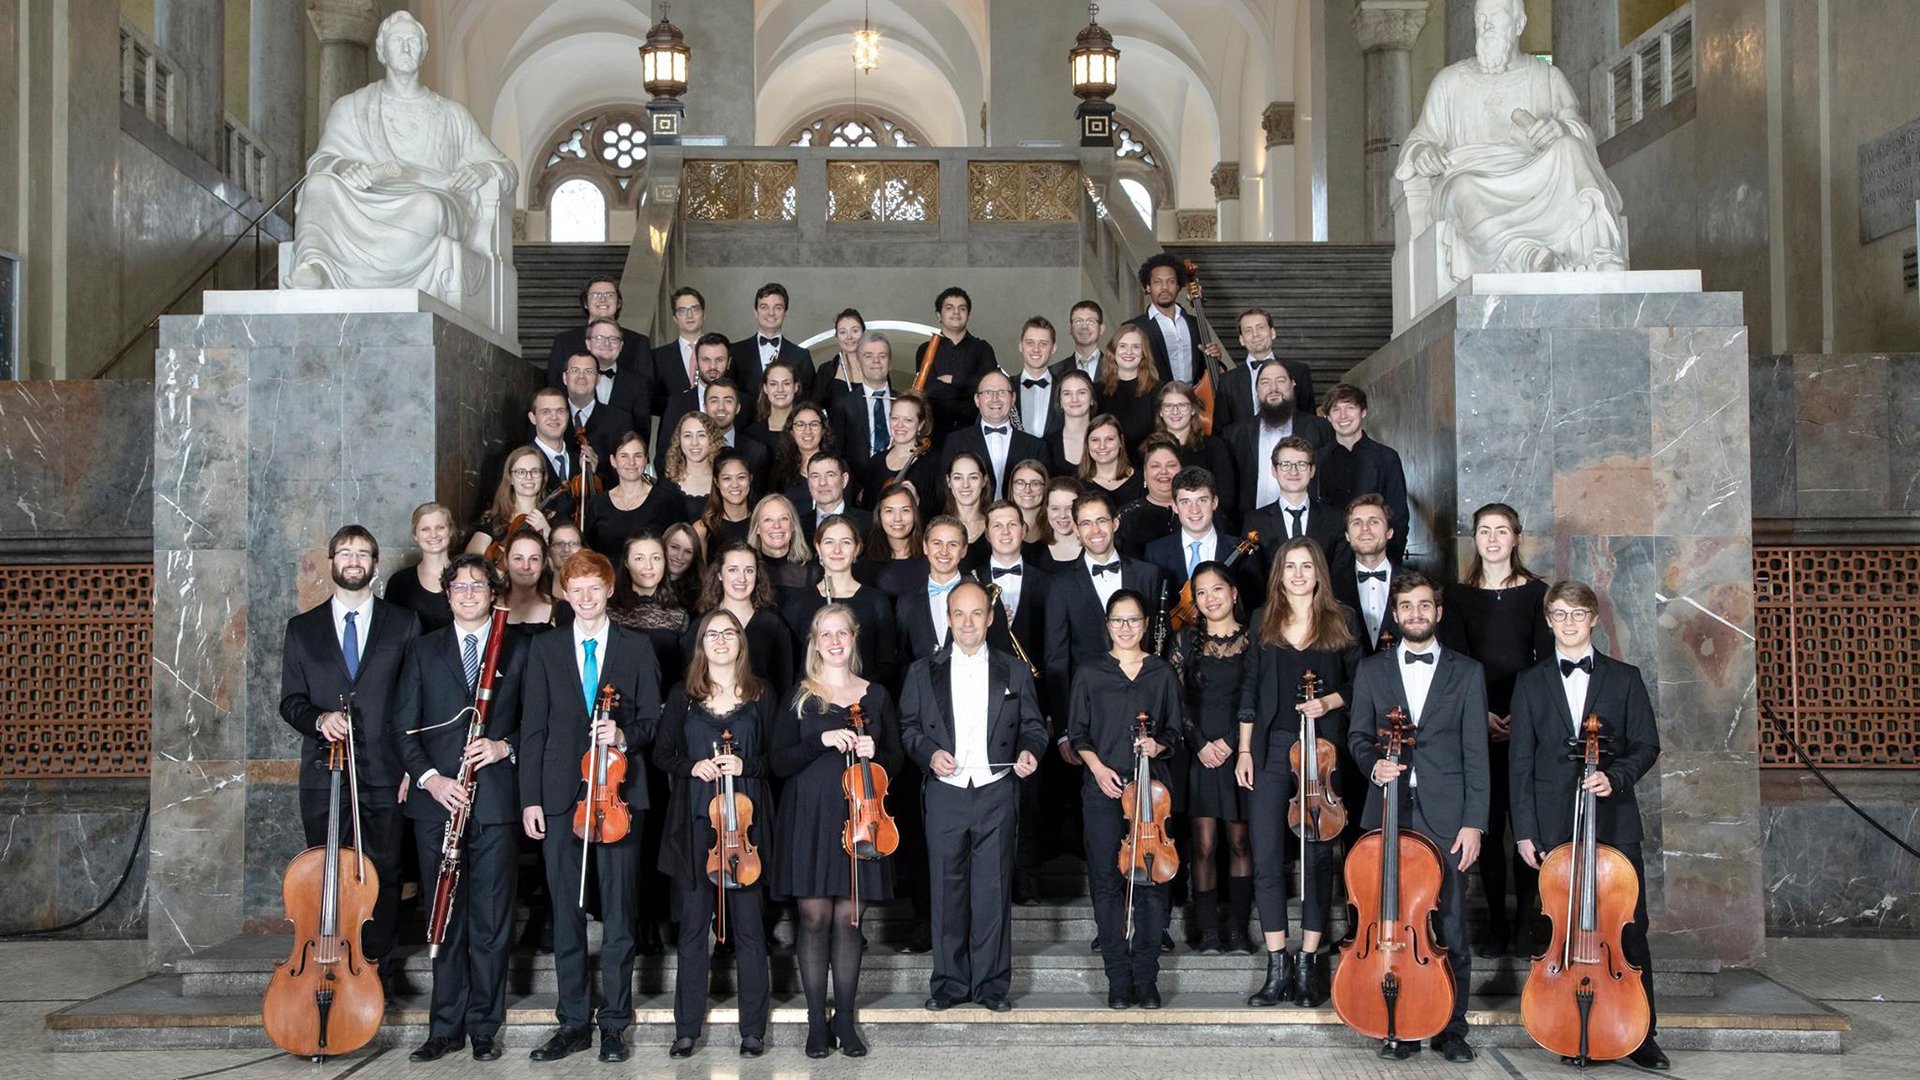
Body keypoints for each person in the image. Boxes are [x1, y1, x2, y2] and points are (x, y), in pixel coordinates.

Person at [1509, 580, 1667, 1071]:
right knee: (1565, 928)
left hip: (1614, 823)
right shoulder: (1530, 682)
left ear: (1594, 619)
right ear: (1549, 620)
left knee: (1628, 932)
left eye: (1578, 614)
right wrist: (1524, 831)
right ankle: (1570, 1026)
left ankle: (1640, 1034)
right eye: (1560, 614)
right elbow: (1520, 763)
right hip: (1554, 823)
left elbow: (1647, 745)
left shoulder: (1624, 677)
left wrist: (1614, 777)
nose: (1569, 622)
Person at [518, 551, 662, 1063]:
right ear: (564, 593)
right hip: (560, 796)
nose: (584, 596)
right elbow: (532, 726)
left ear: (608, 590)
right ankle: (573, 1021)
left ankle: (615, 1024)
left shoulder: (636, 647)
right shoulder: (546, 648)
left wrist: (623, 733)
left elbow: (653, 721)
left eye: (593, 587)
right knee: (567, 913)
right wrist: (530, 799)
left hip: (618, 795)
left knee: (620, 915)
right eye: (575, 588)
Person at [1346, 571, 1489, 1063]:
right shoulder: (1371, 670)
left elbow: (1477, 753)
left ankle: (1452, 1029)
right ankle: (1403, 1024)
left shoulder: (1467, 672)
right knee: (1393, 923)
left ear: (1438, 612)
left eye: (1424, 605)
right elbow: (1358, 737)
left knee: (1449, 926)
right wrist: (1373, 764)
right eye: (1406, 606)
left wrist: (1475, 823)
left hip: (1448, 817)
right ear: (1396, 614)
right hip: (1389, 814)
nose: (1415, 614)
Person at [277, 524, 420, 1003]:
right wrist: (319, 720)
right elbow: (290, 701)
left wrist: (409, 767)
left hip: (386, 772)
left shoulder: (403, 623)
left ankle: (377, 968)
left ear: (375, 564)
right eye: (345, 552)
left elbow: (412, 700)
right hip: (325, 776)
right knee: (329, 874)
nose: (354, 560)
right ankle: (332, 966)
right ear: (332, 562)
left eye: (363, 553)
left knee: (383, 872)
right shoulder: (302, 628)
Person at [393, 553, 525, 1062]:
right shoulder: (422, 651)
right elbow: (401, 728)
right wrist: (431, 780)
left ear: (493, 593)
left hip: (494, 803)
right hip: (437, 805)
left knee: (491, 920)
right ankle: (444, 1027)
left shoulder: (518, 647)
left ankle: (485, 1027)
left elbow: (536, 721)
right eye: (460, 587)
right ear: (447, 595)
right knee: (444, 916)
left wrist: (501, 747)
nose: (469, 594)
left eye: (478, 586)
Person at [285, 12, 515, 302]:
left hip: (430, 197)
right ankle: (318, 266)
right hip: (366, 197)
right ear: (382, 51)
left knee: (428, 207)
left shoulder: (452, 114)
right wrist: (345, 166)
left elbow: (505, 167)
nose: (406, 48)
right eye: (398, 41)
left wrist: (483, 170)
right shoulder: (352, 107)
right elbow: (320, 161)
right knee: (319, 185)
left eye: (413, 41)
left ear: (423, 52)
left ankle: (366, 278)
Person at [1398, 0, 1627, 277]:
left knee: (1570, 148)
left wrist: (1561, 130)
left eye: (1496, 16)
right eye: (1480, 17)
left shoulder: (1546, 77)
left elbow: (1581, 132)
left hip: (1535, 172)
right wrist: (1422, 153)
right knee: (1464, 189)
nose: (1487, 25)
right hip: (1471, 175)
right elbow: (1419, 140)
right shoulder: (1449, 82)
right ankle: (1523, 254)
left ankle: (1600, 251)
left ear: (1519, 24)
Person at [901, 581, 1047, 1012]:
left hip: (996, 790)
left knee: (993, 892)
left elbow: (1035, 729)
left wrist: (1029, 752)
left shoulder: (1015, 670)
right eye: (959, 614)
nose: (968, 622)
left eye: (976, 613)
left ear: (989, 617)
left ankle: (991, 987)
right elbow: (908, 729)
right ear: (948, 618)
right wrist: (930, 754)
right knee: (946, 893)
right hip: (945, 795)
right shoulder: (920, 671)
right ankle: (948, 984)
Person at [1234, 538, 1365, 1006]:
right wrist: (1244, 751)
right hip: (1271, 748)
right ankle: (1277, 965)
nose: (1298, 573)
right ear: (1279, 572)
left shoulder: (1341, 617)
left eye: (1307, 565)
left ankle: (1309, 963)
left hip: (1323, 755)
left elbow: (1362, 678)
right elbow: (1249, 687)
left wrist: (1328, 701)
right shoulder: (1262, 619)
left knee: (1317, 858)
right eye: (1289, 565)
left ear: (1319, 572)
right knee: (1267, 857)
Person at [772, 605, 904, 1057]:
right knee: (813, 919)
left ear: (854, 637)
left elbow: (898, 763)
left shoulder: (877, 695)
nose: (833, 641)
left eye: (841, 633)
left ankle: (845, 1021)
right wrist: (820, 740)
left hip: (861, 818)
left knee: (850, 920)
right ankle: (815, 1023)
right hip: (809, 817)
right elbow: (778, 761)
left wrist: (877, 749)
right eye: (824, 634)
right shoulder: (801, 695)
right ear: (814, 641)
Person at [654, 609, 777, 1059]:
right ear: (700, 644)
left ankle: (753, 1031)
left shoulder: (762, 694)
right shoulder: (682, 696)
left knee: (749, 931)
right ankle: (685, 1028)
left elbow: (777, 759)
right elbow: (663, 755)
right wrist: (693, 767)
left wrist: (748, 765)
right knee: (691, 931)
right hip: (694, 826)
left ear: (741, 642)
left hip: (744, 827)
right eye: (712, 634)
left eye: (729, 633)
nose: (721, 640)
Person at [1438, 503, 1550, 957]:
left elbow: (1543, 665)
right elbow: (1459, 663)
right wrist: (1480, 714)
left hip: (1525, 726)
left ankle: (1525, 922)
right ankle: (1498, 927)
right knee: (1485, 826)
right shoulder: (1459, 596)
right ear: (1475, 538)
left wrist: (1520, 720)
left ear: (1516, 538)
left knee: (1525, 827)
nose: (1493, 539)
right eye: (1484, 531)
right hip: (1475, 724)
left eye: (1501, 531)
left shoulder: (1537, 593)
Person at [1069, 589, 1184, 1008]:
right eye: (1117, 621)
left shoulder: (1162, 674)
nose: (1125, 628)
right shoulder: (1090, 672)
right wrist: (1098, 769)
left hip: (1152, 794)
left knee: (1152, 883)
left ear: (1145, 625)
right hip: (1103, 789)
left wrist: (1158, 746)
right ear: (1107, 625)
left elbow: (1174, 731)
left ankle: (1146, 977)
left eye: (1133, 620)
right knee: (1106, 882)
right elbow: (1077, 732)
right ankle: (1118, 979)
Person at [1166, 562, 1254, 956]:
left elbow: (1260, 697)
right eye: (1201, 593)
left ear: (1233, 592)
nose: (1210, 598)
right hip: (1199, 752)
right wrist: (1200, 742)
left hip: (1240, 753)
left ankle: (1237, 930)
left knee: (1239, 841)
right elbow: (1176, 699)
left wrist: (1233, 743)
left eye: (1217, 589)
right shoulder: (1183, 641)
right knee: (1202, 845)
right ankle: (1207, 932)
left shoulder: (1255, 639)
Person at [976, 501, 1053, 904]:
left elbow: (1055, 648)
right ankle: (995, 876)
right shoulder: (970, 583)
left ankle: (1027, 876)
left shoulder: (1046, 580)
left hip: (1030, 698)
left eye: (1012, 525)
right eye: (997, 526)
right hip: (983, 698)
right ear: (986, 533)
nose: (1005, 532)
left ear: (1025, 530)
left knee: (1031, 791)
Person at [1043, 490, 1167, 714]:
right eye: (1086, 523)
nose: (1095, 531)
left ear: (1115, 523)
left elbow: (1158, 642)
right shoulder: (1060, 585)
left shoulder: (1148, 574)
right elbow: (1056, 660)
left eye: (1101, 521)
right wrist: (1063, 731)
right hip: (1088, 708)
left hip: (1145, 704)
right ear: (1076, 530)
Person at [782, 515, 901, 689]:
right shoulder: (798, 603)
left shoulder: (876, 601)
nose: (837, 550)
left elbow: (886, 663)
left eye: (845, 542)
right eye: (829, 542)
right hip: (813, 703)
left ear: (856, 549)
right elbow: (790, 666)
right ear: (818, 548)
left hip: (861, 705)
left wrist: (857, 693)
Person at [1221, 362, 1335, 520]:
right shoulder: (1233, 435)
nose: (1273, 388)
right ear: (1257, 390)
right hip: (1252, 530)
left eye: (1280, 381)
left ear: (1293, 385)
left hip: (1309, 527)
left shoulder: (1321, 429)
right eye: (1265, 382)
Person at [1317, 383, 1411, 563]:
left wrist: (1391, 560)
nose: (1343, 416)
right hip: (1330, 559)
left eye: (1350, 408)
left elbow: (1398, 514)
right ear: (1328, 417)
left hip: (1378, 555)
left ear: (1363, 412)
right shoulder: (1317, 460)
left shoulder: (1387, 457)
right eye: (1336, 409)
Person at [693, 542, 797, 701]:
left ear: (757, 575)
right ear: (719, 574)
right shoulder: (701, 626)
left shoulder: (774, 625)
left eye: (749, 570)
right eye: (733, 570)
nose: (741, 578)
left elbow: (785, 686)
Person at [1143, 466, 1263, 599]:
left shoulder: (1242, 553)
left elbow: (1254, 605)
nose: (1195, 510)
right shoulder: (1155, 552)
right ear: (1175, 507)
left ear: (1214, 502)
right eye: (1185, 502)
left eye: (1202, 500)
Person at [942, 368, 1045, 500]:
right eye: (988, 393)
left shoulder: (1037, 446)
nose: (995, 399)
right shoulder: (954, 442)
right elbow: (944, 490)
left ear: (1013, 398)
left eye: (1002, 392)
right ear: (977, 400)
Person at [1243, 437, 1347, 566]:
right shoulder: (1254, 521)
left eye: (1301, 464)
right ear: (1274, 471)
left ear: (1312, 471)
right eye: (1286, 464)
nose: (1294, 471)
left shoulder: (1336, 520)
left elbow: (1340, 575)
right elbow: (1252, 576)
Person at [584, 432, 683, 559]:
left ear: (646, 459)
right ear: (613, 461)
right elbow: (589, 552)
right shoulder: (597, 504)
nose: (631, 463)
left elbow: (677, 547)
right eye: (624, 456)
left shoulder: (666, 500)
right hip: (608, 577)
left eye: (638, 456)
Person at [914, 286, 999, 434]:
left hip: (974, 431)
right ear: (939, 315)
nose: (956, 312)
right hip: (934, 435)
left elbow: (989, 389)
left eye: (962, 308)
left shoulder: (983, 348)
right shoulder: (925, 350)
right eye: (949, 308)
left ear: (968, 314)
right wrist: (970, 388)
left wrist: (954, 380)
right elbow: (929, 390)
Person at [1126, 254, 1220, 386]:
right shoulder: (1134, 327)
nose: (1165, 287)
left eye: (1171, 281)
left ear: (1178, 286)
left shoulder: (1195, 324)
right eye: (1157, 282)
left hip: (1194, 399)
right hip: (1154, 401)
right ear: (1148, 287)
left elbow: (1204, 368)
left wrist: (1215, 358)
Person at [1330, 494, 1405, 655]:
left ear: (1389, 532)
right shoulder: (1330, 586)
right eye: (1357, 523)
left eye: (1374, 522)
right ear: (1347, 536)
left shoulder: (1416, 584)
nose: (1365, 528)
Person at [609, 531, 691, 680]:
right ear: (626, 562)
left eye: (656, 558)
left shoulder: (680, 615)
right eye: (639, 558)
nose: (649, 566)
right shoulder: (609, 611)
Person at [1214, 308, 1316, 427]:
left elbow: (1310, 422)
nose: (1255, 334)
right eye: (1248, 330)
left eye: (1260, 327)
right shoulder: (1226, 381)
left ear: (1272, 333)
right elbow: (1221, 430)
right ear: (1241, 340)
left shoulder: (1299, 372)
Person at [547, 277, 651, 392]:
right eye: (596, 295)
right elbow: (554, 387)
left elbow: (647, 388)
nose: (603, 299)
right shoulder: (564, 341)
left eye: (609, 295)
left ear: (619, 303)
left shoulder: (638, 342)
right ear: (586, 303)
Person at [1152, 381, 1238, 515]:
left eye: (1182, 405)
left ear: (1193, 410)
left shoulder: (1214, 447)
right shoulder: (1149, 449)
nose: (1175, 411)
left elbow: (1226, 498)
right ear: (1161, 412)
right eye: (1168, 406)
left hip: (1205, 521)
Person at [860, 391, 943, 522]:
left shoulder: (933, 461)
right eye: (895, 418)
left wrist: (917, 502)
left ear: (920, 424)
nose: (899, 425)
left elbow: (939, 513)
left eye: (908, 420)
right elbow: (867, 510)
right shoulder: (876, 461)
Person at [657, 333, 736, 466]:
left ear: (728, 362)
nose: (712, 367)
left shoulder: (745, 403)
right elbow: (663, 456)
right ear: (697, 362)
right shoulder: (677, 404)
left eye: (719, 360)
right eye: (706, 360)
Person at [730, 282, 816, 402]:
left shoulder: (801, 356)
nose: (771, 313)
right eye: (764, 307)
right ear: (755, 312)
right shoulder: (735, 352)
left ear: (785, 313)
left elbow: (807, 400)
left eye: (778, 307)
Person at [652, 292, 713, 459]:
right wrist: (679, 401)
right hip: (673, 437)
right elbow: (651, 400)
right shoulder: (658, 356)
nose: (690, 315)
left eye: (695, 309)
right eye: (682, 310)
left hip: (714, 434)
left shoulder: (720, 351)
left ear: (703, 314)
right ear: (674, 318)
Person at [829, 331, 900, 472]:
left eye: (882, 356)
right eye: (868, 356)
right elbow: (837, 455)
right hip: (859, 487)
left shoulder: (904, 401)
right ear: (858, 362)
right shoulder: (843, 404)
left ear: (889, 363)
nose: (876, 361)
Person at [467, 446, 554, 555]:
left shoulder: (556, 520)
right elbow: (471, 561)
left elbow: (570, 563)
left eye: (535, 471)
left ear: (543, 477)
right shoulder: (494, 522)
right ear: (510, 478)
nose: (529, 477)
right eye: (521, 472)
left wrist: (548, 533)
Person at [385, 501, 456, 631]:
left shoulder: (467, 578)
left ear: (450, 531)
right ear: (415, 535)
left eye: (440, 527)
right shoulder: (399, 582)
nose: (433, 535)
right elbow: (390, 630)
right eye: (425, 529)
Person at [575, 318, 651, 431]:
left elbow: (642, 431)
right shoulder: (573, 379)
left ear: (621, 345)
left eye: (613, 339)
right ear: (588, 343)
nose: (606, 343)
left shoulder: (638, 384)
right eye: (599, 338)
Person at [1114, 435, 1183, 559]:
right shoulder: (1126, 518)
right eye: (1155, 466)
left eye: (1171, 465)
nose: (1164, 471)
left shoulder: (1198, 511)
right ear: (1145, 473)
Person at [861, 482, 931, 601]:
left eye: (905, 510)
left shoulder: (932, 557)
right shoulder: (866, 564)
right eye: (889, 511)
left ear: (915, 514)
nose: (897, 518)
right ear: (880, 515)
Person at [1098, 324, 1162, 449]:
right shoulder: (1097, 391)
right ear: (1113, 350)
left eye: (1136, 347)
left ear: (1143, 353)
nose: (1129, 352)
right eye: (1123, 346)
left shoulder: (1159, 390)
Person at [748, 492, 816, 596]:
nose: (776, 526)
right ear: (757, 528)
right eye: (768, 520)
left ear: (793, 526)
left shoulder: (814, 572)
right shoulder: (746, 571)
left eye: (783, 519)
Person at [663, 411, 723, 523]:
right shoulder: (666, 485)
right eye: (687, 436)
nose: (694, 443)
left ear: (712, 439)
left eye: (701, 435)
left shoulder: (724, 480)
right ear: (679, 440)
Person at [702, 379, 772, 475]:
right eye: (714, 401)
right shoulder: (692, 449)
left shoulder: (757, 452)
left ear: (738, 408)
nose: (721, 407)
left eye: (728, 401)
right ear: (705, 408)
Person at [769, 401, 832, 505]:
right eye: (800, 425)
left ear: (823, 430)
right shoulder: (780, 470)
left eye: (814, 424)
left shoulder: (838, 466)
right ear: (791, 432)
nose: (808, 430)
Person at [1011, 316, 1064, 438]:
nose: (1036, 349)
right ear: (1020, 346)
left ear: (1053, 348)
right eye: (1030, 343)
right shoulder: (1005, 388)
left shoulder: (1064, 390)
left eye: (1043, 344)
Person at [1077, 414, 1144, 508]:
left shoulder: (1142, 481)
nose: (1102, 446)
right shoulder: (1077, 485)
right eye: (1095, 440)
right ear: (1087, 444)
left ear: (1121, 441)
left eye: (1109, 439)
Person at [501, 529, 558, 631]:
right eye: (518, 558)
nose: (526, 566)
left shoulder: (560, 610)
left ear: (544, 563)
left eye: (534, 559)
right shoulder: (487, 607)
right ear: (506, 561)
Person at [1044, 370, 1098, 477]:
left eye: (1081, 392)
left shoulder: (1107, 441)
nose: (1074, 399)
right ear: (1060, 401)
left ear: (1091, 398)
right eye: (1067, 394)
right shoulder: (1046, 445)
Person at [801, 452, 870, 535]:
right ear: (808, 482)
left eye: (830, 475)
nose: (822, 482)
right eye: (815, 476)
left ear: (844, 480)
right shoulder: (798, 525)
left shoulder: (868, 523)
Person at [811, 308, 868, 407]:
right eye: (843, 332)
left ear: (864, 334)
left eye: (855, 331)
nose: (849, 337)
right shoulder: (825, 371)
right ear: (836, 337)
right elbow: (814, 408)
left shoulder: (876, 366)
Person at [696, 456, 755, 549]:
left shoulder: (762, 523)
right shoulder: (703, 529)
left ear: (750, 479)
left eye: (741, 477)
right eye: (727, 478)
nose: (735, 484)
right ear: (717, 482)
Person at [942, 451, 992, 557]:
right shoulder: (936, 528)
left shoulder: (996, 527)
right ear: (949, 481)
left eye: (973, 477)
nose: (965, 485)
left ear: (984, 481)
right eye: (958, 478)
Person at [1033, 476, 1086, 573]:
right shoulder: (1032, 553)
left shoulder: (1095, 548)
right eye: (1055, 508)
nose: (1062, 515)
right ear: (1047, 509)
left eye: (1069, 508)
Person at [743, 359, 802, 446]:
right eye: (773, 384)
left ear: (796, 387)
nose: (780, 389)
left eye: (786, 383)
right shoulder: (750, 435)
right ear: (765, 388)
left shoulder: (809, 432)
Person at [1053, 300, 1106, 381]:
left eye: (1090, 321)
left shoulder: (1117, 368)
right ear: (1070, 329)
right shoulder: (1055, 372)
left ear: (1101, 329)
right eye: (1078, 321)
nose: (1084, 326)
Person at [663, 522, 706, 611]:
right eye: (674, 547)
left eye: (688, 551)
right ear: (662, 546)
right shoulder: (645, 583)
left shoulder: (699, 594)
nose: (679, 556)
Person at [1007, 459, 1051, 540]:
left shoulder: (1055, 528)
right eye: (1020, 483)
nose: (1027, 490)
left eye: (1035, 484)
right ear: (1011, 487)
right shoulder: (999, 529)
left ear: (1045, 487)